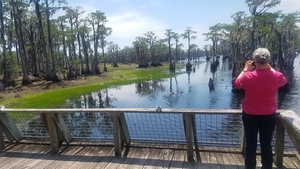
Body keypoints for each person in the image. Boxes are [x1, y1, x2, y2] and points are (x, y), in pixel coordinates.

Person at [234, 48, 287, 169]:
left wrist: (245, 70)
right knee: (266, 143)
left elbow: (237, 84)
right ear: (268, 60)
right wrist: (269, 67)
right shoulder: (277, 76)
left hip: (250, 115)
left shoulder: (248, 76)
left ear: (254, 61)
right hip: (269, 115)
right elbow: (283, 82)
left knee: (251, 144)